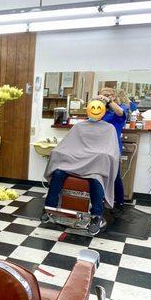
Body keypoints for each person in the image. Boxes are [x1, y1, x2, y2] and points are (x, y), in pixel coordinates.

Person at [42, 98, 121, 235]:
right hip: (73, 165)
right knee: (59, 173)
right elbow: (68, 145)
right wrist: (59, 153)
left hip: (94, 168)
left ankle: (96, 217)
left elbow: (110, 152)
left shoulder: (109, 129)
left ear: (103, 112)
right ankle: (49, 208)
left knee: (97, 180)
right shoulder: (79, 127)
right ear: (88, 110)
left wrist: (99, 157)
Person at [98, 87, 127, 210]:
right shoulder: (99, 110)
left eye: (109, 95)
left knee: (114, 175)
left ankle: (119, 201)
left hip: (113, 147)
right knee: (97, 173)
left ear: (113, 96)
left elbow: (120, 113)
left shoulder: (120, 108)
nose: (105, 97)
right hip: (97, 147)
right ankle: (99, 198)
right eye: (103, 95)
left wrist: (108, 101)